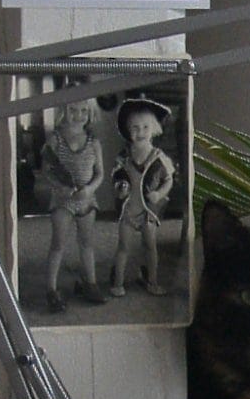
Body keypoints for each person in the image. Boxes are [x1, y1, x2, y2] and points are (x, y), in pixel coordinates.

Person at [38, 94, 106, 312]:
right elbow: (46, 171)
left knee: (87, 242)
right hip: (62, 199)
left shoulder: (93, 142)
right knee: (58, 243)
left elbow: (100, 173)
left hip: (86, 199)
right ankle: (51, 289)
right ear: (63, 112)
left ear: (90, 113)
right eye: (73, 110)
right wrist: (62, 188)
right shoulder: (55, 140)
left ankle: (90, 282)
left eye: (83, 111)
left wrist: (89, 189)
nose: (79, 115)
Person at [108, 97, 176, 297]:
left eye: (146, 127)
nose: (141, 132)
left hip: (148, 212)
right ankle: (117, 282)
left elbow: (169, 180)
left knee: (150, 246)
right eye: (135, 128)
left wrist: (159, 193)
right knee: (123, 247)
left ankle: (152, 281)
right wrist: (120, 189)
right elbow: (116, 178)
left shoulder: (159, 157)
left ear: (154, 128)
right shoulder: (124, 157)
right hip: (128, 211)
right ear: (128, 131)